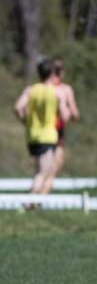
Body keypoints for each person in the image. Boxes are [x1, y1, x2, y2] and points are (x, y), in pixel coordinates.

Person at [13, 59, 70, 203]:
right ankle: (29, 201)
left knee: (41, 169)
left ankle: (35, 201)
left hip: (32, 135)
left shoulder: (31, 90)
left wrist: (25, 121)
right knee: (43, 172)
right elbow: (65, 116)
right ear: (52, 73)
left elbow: (18, 107)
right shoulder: (57, 92)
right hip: (48, 135)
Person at [51, 57, 81, 176]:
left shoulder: (38, 88)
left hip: (38, 132)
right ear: (61, 71)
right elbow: (74, 114)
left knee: (42, 170)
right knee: (52, 170)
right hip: (57, 131)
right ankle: (38, 194)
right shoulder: (64, 89)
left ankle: (38, 193)